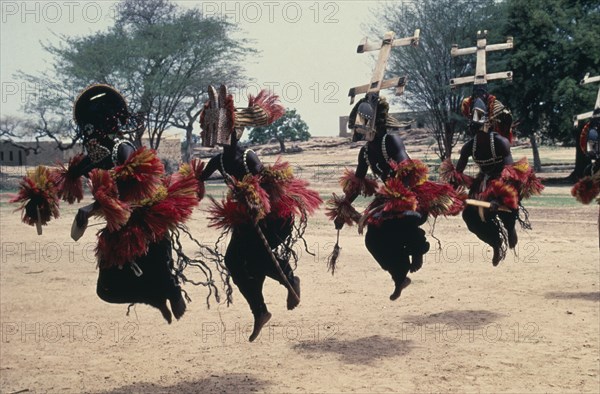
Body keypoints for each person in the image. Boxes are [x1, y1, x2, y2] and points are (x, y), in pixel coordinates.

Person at [11, 84, 208, 323]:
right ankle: (154, 298)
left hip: (146, 225)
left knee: (161, 278)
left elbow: (131, 190)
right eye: (85, 126)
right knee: (107, 290)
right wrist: (38, 197)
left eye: (91, 125)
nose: (88, 132)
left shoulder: (122, 149)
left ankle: (171, 291)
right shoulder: (93, 156)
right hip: (118, 229)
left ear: (104, 124)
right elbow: (61, 180)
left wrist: (92, 208)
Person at [197, 85, 321, 342]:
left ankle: (289, 279)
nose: (217, 136)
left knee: (254, 256)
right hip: (248, 218)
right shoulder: (218, 162)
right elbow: (198, 178)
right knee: (233, 261)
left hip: (275, 217)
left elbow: (271, 189)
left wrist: (256, 201)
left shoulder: (248, 157)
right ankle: (260, 310)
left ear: (234, 131)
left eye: (221, 130)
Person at [326, 93, 462, 301]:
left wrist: (396, 195)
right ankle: (399, 275)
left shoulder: (390, 140)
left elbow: (408, 170)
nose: (359, 126)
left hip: (412, 198)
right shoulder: (364, 152)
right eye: (358, 122)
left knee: (397, 221)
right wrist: (343, 207)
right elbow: (356, 184)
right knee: (373, 238)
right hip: (388, 200)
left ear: (374, 122)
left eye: (363, 121)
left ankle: (418, 246)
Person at [440, 85, 544, 265]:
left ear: (488, 121)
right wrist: (450, 194)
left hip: (502, 184)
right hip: (483, 182)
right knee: (469, 217)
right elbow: (456, 174)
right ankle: (495, 242)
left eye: (478, 119)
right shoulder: (468, 147)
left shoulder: (501, 143)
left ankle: (510, 227)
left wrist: (499, 199)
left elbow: (511, 173)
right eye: (472, 120)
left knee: (507, 207)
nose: (473, 125)